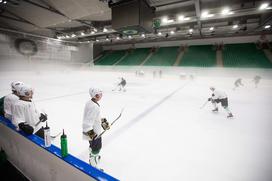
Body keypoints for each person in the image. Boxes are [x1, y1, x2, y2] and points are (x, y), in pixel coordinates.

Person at [82, 87, 110, 169]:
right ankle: (94, 167)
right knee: (96, 149)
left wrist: (103, 123)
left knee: (92, 147)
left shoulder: (90, 103)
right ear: (96, 95)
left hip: (91, 133)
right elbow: (86, 124)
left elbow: (95, 117)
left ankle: (92, 157)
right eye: (100, 94)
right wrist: (93, 135)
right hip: (94, 133)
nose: (102, 95)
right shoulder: (94, 106)